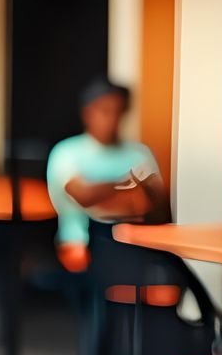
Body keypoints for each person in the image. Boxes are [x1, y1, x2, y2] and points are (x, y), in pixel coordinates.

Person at [46, 78, 169, 272]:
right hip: (81, 243)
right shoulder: (66, 152)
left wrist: (109, 194)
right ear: (88, 113)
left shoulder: (139, 153)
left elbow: (157, 206)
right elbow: (84, 197)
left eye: (118, 112)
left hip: (136, 243)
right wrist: (129, 187)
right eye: (105, 111)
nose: (112, 119)